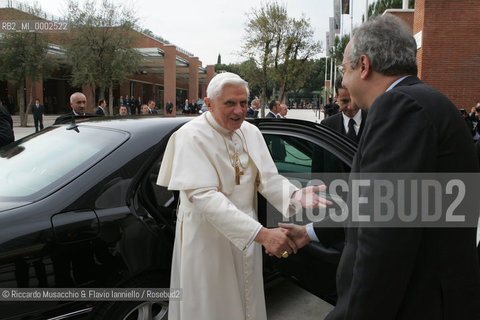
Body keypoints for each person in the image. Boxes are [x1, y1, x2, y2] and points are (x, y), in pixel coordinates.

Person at [281, 15, 480, 320]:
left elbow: (384, 239)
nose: (344, 82)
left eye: (345, 71)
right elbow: (387, 204)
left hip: (414, 305)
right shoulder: (428, 101)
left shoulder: (399, 106)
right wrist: (310, 231)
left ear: (364, 65)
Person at [157, 72, 330, 320]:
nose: (239, 111)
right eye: (230, 103)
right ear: (208, 103)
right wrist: (262, 234)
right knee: (213, 306)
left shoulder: (249, 132)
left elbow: (267, 178)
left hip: (248, 234)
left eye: (244, 103)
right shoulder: (191, 136)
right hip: (208, 239)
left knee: (246, 302)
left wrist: (293, 195)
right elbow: (205, 198)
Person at [321, 76, 367, 143]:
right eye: (345, 101)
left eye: (354, 100)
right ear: (337, 97)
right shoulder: (327, 126)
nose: (350, 107)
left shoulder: (375, 123)